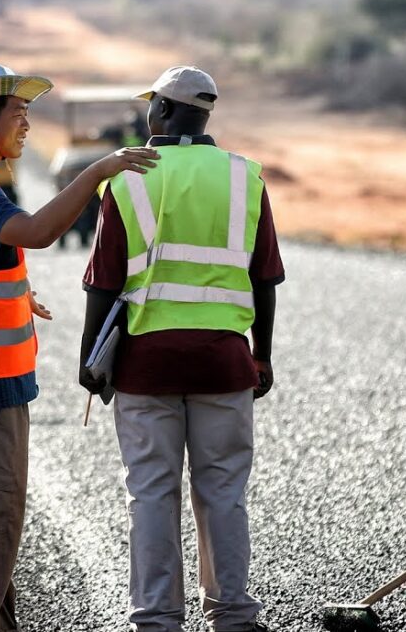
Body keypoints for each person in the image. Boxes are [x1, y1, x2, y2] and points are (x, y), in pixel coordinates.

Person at [0, 63, 158, 631]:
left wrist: (15, 288)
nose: (26, 124)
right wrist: (98, 170)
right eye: (18, 114)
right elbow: (38, 231)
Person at [78, 65, 284, 632]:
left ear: (164, 112)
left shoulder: (127, 179)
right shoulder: (246, 178)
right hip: (224, 361)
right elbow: (265, 278)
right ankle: (232, 614)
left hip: (146, 366)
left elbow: (102, 282)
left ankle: (156, 619)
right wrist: (260, 355)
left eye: (152, 106)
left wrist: (88, 358)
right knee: (222, 492)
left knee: (150, 493)